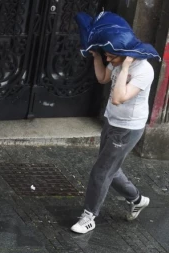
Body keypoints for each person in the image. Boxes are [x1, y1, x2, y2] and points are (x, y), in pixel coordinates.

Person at [71, 50, 153, 234]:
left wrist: (124, 68)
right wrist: (97, 57)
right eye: (107, 55)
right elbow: (102, 78)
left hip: (127, 128)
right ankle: (137, 200)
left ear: (127, 55)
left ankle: (89, 216)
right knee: (111, 169)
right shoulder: (116, 60)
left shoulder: (144, 70)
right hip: (111, 121)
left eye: (111, 57)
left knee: (101, 171)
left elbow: (118, 98)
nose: (108, 59)